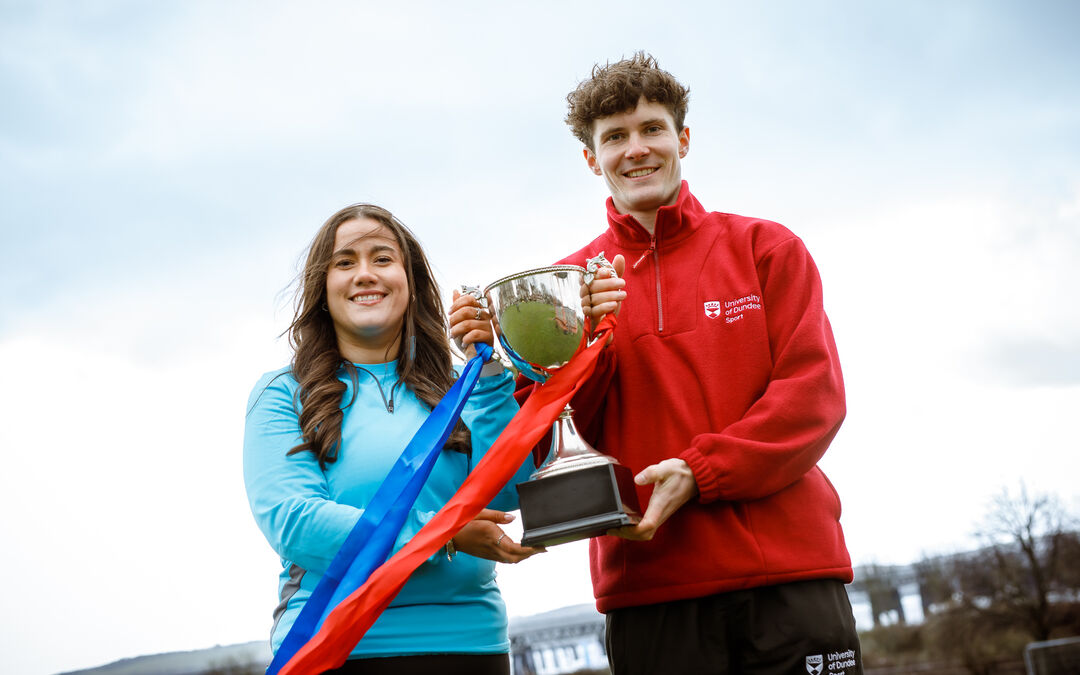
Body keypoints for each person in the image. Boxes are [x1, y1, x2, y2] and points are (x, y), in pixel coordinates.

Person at [529, 53, 863, 674]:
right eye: (615, 137)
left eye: (652, 129)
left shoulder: (767, 248)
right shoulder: (566, 287)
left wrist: (701, 470)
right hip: (650, 588)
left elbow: (813, 397)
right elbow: (561, 426)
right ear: (590, 159)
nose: (637, 149)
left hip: (790, 576)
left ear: (682, 138)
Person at [243, 203, 540, 675]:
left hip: (471, 646)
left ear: (411, 280)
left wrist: (488, 374)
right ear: (323, 288)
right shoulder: (283, 393)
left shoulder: (464, 385)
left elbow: (510, 491)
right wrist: (442, 534)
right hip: (332, 645)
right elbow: (295, 522)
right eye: (345, 262)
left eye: (382, 259)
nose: (365, 274)